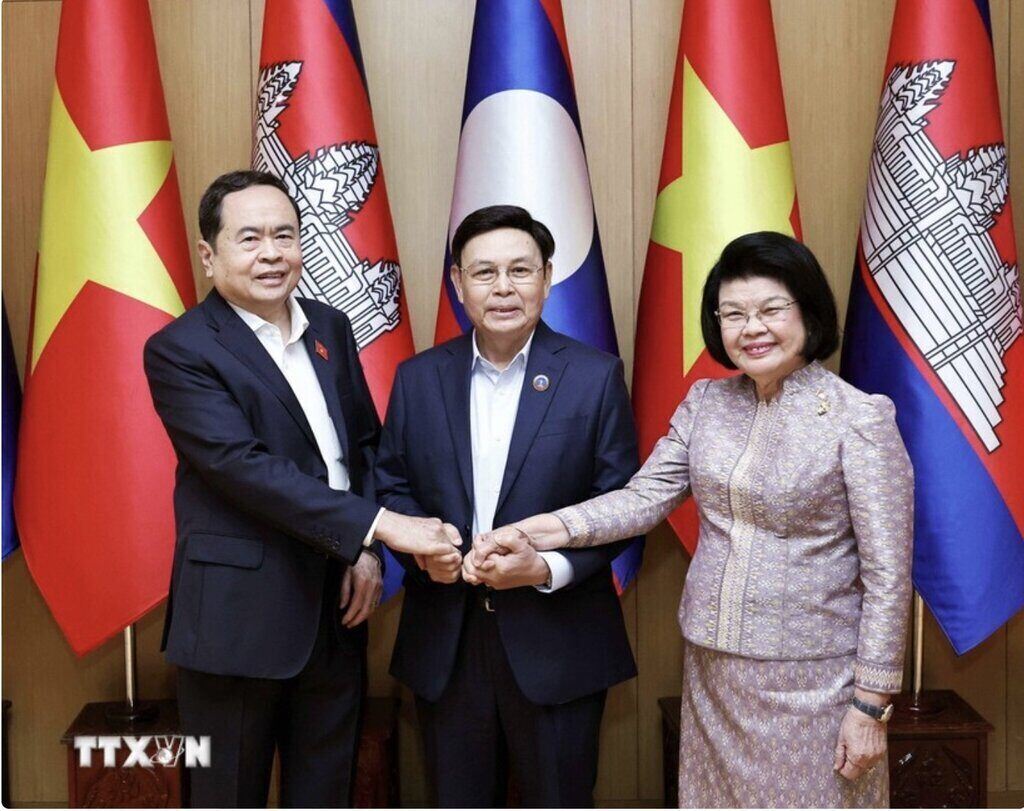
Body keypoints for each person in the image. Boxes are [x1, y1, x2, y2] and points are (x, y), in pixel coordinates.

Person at [472, 231, 914, 808]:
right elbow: (641, 499)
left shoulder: (860, 418)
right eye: (734, 314)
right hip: (714, 674)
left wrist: (870, 706)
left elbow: (888, 577)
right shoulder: (707, 404)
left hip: (818, 683)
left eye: (771, 309)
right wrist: (527, 531)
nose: (752, 328)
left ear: (808, 311)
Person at [143, 170, 460, 808]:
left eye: (284, 235)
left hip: (337, 610)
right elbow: (242, 467)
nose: (271, 253)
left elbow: (362, 446)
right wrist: (380, 526)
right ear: (208, 255)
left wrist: (365, 551)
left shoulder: (329, 326)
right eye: (250, 238)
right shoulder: (181, 350)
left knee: (326, 791)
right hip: (238, 622)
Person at [375, 205, 638, 806]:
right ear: (457, 281)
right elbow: (390, 484)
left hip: (560, 639)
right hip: (447, 638)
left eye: (520, 270)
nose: (503, 288)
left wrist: (546, 567)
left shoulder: (594, 377)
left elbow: (622, 504)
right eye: (484, 272)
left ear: (547, 277)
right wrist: (424, 551)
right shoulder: (418, 378)